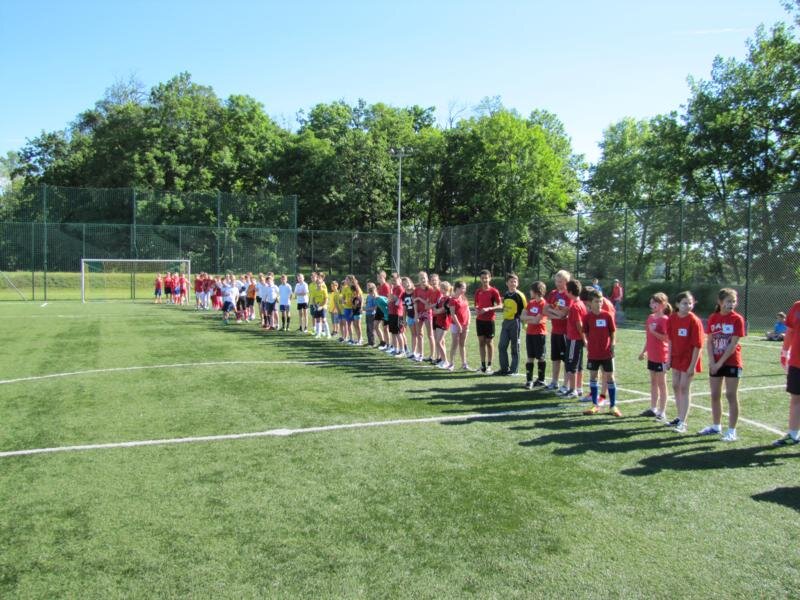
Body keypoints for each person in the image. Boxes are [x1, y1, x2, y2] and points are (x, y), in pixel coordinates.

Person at [699, 288, 746, 441]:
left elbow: (733, 344)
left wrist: (719, 363)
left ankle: (732, 431)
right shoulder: (713, 318)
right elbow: (709, 341)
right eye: (728, 301)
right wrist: (712, 362)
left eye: (733, 301)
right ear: (720, 302)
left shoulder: (737, 319)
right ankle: (716, 426)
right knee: (714, 394)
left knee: (731, 395)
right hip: (715, 363)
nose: (731, 304)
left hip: (732, 362)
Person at [667, 291, 704, 434]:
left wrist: (692, 366)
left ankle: (683, 422)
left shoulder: (694, 320)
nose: (688, 306)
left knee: (684, 388)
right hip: (676, 358)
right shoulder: (672, 318)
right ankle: (679, 416)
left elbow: (698, 345)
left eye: (690, 303)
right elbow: (670, 340)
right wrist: (669, 359)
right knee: (676, 386)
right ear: (677, 304)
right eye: (684, 303)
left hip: (689, 359)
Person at [582, 288, 621, 417]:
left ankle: (613, 406)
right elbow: (585, 332)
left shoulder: (607, 315)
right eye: (596, 301)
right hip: (593, 353)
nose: (599, 304)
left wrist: (613, 344)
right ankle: (595, 405)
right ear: (590, 303)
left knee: (610, 377)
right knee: (593, 377)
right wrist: (588, 343)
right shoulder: (587, 317)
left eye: (600, 301)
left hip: (606, 353)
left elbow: (613, 332)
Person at [638, 293, 671, 421]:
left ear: (663, 304)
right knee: (653, 382)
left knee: (662, 384)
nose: (651, 305)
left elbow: (667, 339)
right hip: (652, 356)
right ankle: (653, 408)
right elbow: (648, 338)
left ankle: (662, 411)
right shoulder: (650, 318)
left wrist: (654, 332)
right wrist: (643, 351)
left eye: (654, 302)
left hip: (661, 356)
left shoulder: (665, 319)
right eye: (651, 303)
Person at [774, 299, 800, 445]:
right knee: (796, 398)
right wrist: (784, 352)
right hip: (796, 361)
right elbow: (790, 331)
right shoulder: (797, 306)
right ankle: (793, 434)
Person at [544, 270, 573, 392]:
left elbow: (564, 314)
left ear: (566, 282)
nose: (557, 283)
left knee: (566, 360)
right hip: (555, 331)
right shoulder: (553, 293)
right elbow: (545, 310)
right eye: (556, 281)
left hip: (565, 333)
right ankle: (554, 382)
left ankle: (566, 384)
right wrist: (556, 313)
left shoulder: (568, 295)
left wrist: (553, 312)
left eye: (560, 281)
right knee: (555, 359)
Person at [497, 273, 527, 376]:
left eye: (515, 281)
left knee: (515, 347)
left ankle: (514, 370)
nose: (513, 283)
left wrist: (524, 324)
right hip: (506, 322)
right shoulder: (506, 294)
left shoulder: (520, 295)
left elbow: (525, 310)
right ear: (507, 283)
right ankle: (504, 369)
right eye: (511, 281)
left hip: (515, 322)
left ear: (517, 283)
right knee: (502, 346)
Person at [560, 279, 586, 399]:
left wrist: (583, 338)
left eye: (566, 289)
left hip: (574, 339)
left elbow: (579, 324)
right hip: (577, 339)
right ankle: (579, 388)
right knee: (579, 364)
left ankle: (572, 389)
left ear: (570, 291)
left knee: (571, 364)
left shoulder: (575, 306)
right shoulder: (580, 304)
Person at [474, 269, 502, 374]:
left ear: (490, 278)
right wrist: (477, 309)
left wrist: (489, 308)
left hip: (489, 320)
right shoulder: (478, 291)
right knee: (481, 342)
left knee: (489, 342)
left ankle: (489, 366)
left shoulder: (494, 291)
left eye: (486, 278)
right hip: (479, 320)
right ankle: (483, 365)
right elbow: (476, 304)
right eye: (482, 278)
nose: (484, 280)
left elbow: (500, 305)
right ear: (480, 279)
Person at [521, 281, 548, 389]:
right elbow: (522, 317)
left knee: (541, 357)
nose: (530, 292)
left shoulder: (544, 304)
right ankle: (529, 381)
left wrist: (529, 319)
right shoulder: (531, 303)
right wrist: (532, 318)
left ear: (536, 291)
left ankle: (541, 380)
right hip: (530, 333)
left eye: (531, 290)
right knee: (530, 357)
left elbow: (537, 321)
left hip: (540, 334)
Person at [447, 280, 472, 371]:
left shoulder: (464, 298)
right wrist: (459, 325)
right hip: (456, 325)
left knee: (462, 344)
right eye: (463, 288)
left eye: (465, 288)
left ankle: (464, 364)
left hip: (465, 325)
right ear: (457, 288)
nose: (464, 290)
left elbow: (468, 310)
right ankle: (451, 364)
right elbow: (453, 314)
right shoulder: (452, 300)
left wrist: (468, 321)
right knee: (455, 344)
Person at [413, 272, 436, 362]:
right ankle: (420, 354)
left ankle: (432, 355)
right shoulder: (416, 290)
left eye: (424, 278)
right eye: (421, 278)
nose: (423, 280)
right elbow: (414, 302)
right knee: (419, 334)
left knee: (430, 335)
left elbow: (427, 303)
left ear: (427, 279)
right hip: (419, 313)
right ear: (419, 280)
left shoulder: (430, 289)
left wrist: (419, 298)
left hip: (427, 313)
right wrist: (415, 314)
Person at [432, 280, 452, 366]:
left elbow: (442, 310)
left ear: (446, 289)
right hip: (438, 321)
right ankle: (442, 360)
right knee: (441, 342)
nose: (440, 289)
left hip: (445, 322)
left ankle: (446, 361)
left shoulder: (449, 299)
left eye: (442, 288)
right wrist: (437, 310)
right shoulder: (441, 298)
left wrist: (437, 311)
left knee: (438, 342)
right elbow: (435, 310)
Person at [350, 276, 363, 345]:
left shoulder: (357, 297)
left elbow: (355, 306)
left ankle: (360, 339)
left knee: (358, 325)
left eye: (353, 291)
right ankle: (358, 338)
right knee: (355, 325)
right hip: (355, 312)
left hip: (357, 312)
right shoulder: (354, 296)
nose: (352, 292)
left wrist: (352, 302)